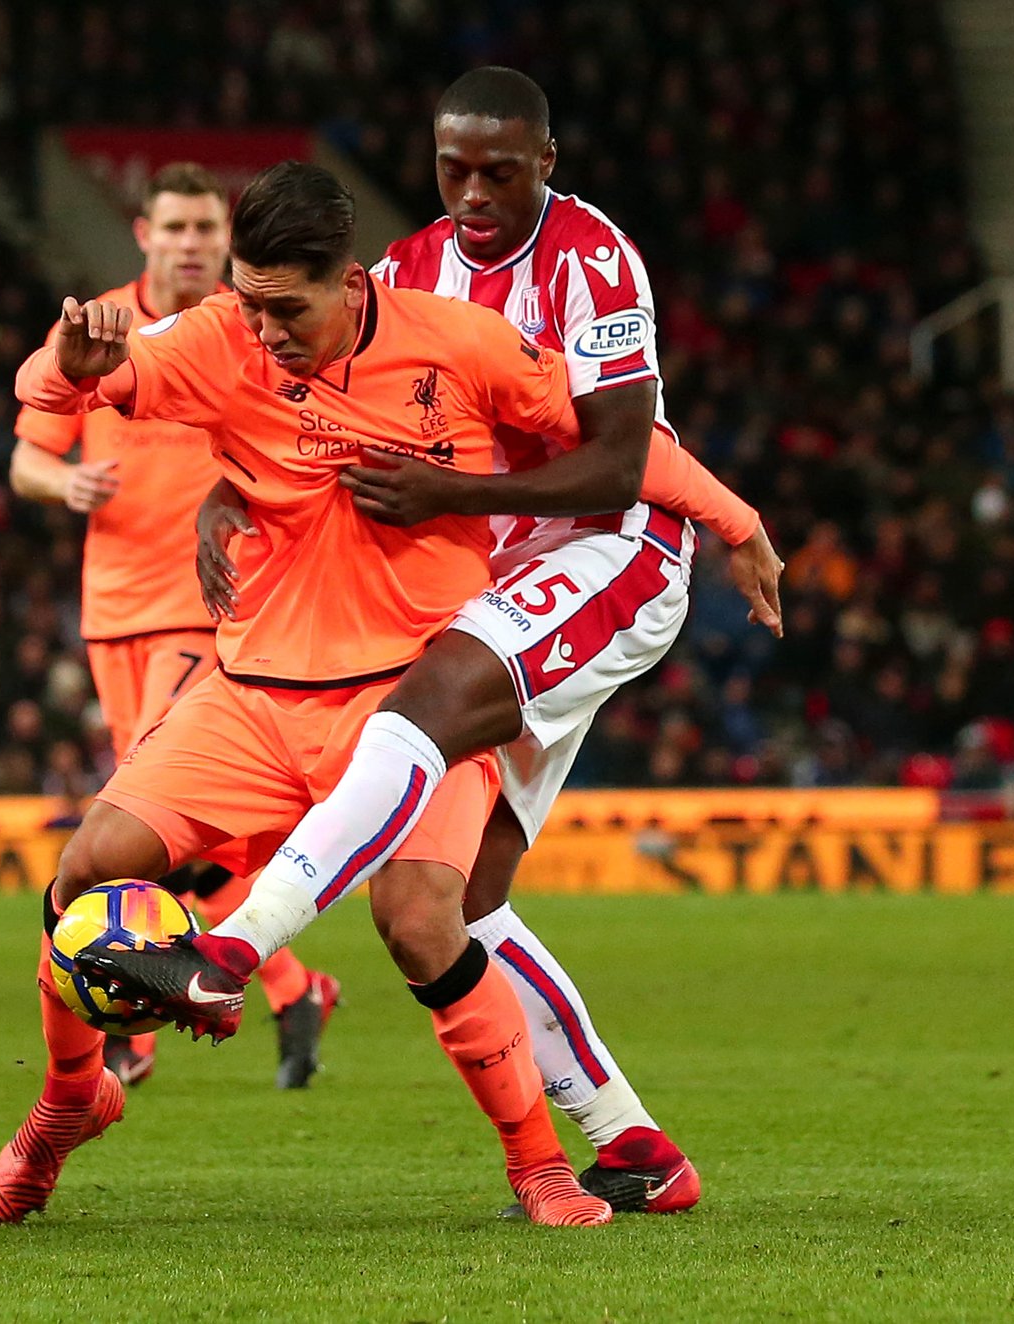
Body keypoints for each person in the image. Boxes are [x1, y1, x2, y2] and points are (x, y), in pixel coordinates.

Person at [90, 67, 782, 1216]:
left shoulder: (592, 262)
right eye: (451, 168)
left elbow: (618, 459)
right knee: (452, 904)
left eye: (497, 171)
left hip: (610, 554)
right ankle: (634, 1148)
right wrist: (229, 491)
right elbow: (300, 423)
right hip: (500, 571)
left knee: (417, 700)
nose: (469, 192)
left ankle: (236, 943)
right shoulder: (398, 271)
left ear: (543, 163)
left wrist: (728, 514)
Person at [0, 161, 613, 1228]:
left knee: (419, 917)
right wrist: (62, 362)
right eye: (246, 297)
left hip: (419, 696)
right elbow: (44, 402)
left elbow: (618, 437)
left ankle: (539, 1166)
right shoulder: (220, 336)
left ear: (349, 282)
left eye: (282, 305)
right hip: (250, 693)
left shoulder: (452, 341)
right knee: (85, 868)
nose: (257, 324)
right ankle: (64, 1103)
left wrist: (730, 521)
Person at [8, 161, 338, 1091]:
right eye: (178, 228)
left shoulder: (251, 333)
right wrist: (63, 483)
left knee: (155, 828)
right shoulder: (104, 329)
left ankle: (134, 1033)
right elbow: (28, 456)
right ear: (145, 233)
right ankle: (295, 985)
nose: (194, 244)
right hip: (113, 610)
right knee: (154, 836)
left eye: (208, 230)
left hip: (214, 607)